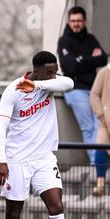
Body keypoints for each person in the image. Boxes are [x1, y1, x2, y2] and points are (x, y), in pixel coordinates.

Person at [0, 51, 74, 219]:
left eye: (54, 71)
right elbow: (0, 127)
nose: (53, 76)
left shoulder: (48, 84)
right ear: (35, 70)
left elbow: (69, 83)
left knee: (57, 207)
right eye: (49, 72)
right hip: (17, 160)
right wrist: (1, 159)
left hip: (44, 159)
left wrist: (39, 84)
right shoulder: (14, 90)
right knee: (13, 214)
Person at [57, 6, 107, 164]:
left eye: (79, 21)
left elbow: (103, 59)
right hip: (75, 90)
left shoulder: (90, 39)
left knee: (100, 126)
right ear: (69, 22)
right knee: (89, 128)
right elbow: (69, 67)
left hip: (93, 90)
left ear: (84, 22)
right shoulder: (64, 41)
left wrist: (80, 59)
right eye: (73, 21)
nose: (76, 24)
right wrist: (89, 60)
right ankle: (97, 164)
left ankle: (100, 163)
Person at [90, 55, 110, 196]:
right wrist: (100, 114)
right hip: (105, 121)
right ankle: (100, 184)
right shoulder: (104, 72)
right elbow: (94, 95)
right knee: (101, 150)